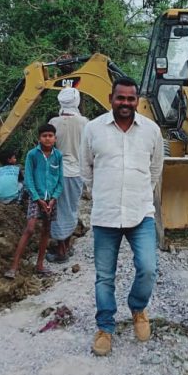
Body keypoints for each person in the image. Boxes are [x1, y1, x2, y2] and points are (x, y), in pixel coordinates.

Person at [80, 76, 164, 356]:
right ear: (110, 98)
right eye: (121, 98)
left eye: (131, 98)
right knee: (104, 277)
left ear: (137, 100)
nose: (126, 103)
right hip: (105, 216)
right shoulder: (93, 129)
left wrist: (138, 193)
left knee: (148, 268)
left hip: (141, 212)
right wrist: (104, 193)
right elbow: (86, 169)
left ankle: (138, 308)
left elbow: (155, 169)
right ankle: (105, 327)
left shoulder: (151, 130)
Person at [5, 123, 64, 278]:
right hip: (35, 198)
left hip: (51, 199)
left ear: (55, 138)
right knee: (30, 228)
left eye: (50, 136)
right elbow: (28, 179)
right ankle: (14, 266)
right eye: (44, 136)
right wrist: (38, 199)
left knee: (46, 230)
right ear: (39, 138)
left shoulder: (58, 156)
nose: (47, 138)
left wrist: (53, 198)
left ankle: (40, 265)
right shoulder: (32, 155)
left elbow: (60, 180)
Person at [47, 87, 89, 263]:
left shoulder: (54, 122)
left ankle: (61, 251)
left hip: (57, 173)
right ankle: (67, 245)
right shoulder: (85, 123)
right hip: (77, 174)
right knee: (71, 209)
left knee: (57, 211)